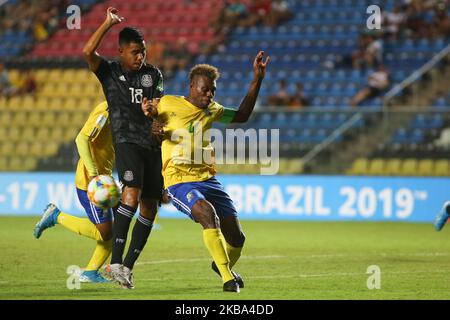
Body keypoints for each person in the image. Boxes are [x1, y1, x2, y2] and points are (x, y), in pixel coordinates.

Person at [142, 51, 270, 292]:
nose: (209, 94)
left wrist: (257, 79)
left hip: (208, 179)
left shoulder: (212, 109)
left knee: (237, 239)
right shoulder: (168, 102)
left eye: (213, 90)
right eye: (205, 90)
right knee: (208, 215)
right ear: (192, 86)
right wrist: (152, 126)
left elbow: (242, 116)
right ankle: (227, 279)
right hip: (178, 179)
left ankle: (221, 265)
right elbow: (148, 123)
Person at [83, 7, 164, 289]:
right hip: (126, 141)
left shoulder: (153, 75)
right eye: (134, 52)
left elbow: (158, 107)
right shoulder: (109, 71)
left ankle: (126, 267)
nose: (140, 57)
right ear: (120, 52)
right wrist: (107, 23)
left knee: (151, 207)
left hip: (152, 146)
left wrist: (153, 113)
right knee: (130, 193)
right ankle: (114, 260)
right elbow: (87, 53)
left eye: (142, 51)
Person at [33, 101, 114, 283]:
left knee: (111, 230)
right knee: (107, 232)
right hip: (91, 184)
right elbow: (81, 139)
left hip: (103, 179)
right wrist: (94, 175)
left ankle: (91, 272)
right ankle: (56, 216)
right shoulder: (106, 111)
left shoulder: (122, 110)